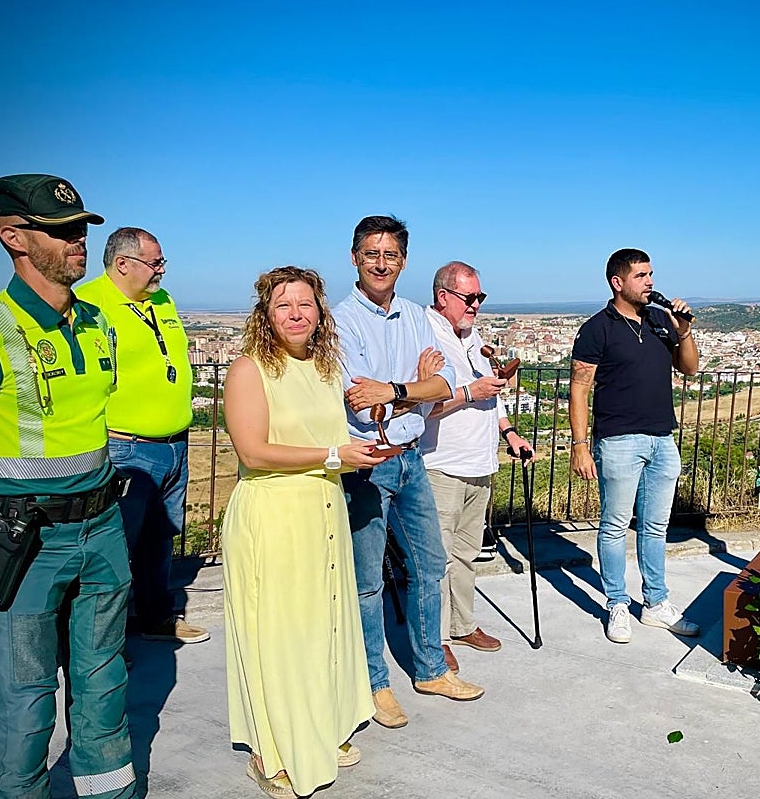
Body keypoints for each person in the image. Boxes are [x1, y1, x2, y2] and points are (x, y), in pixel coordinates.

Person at [0, 174, 137, 798]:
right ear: (12, 236)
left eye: (80, 228)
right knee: (26, 702)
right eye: (60, 231)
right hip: (25, 542)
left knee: (105, 683)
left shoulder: (93, 323)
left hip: (102, 528)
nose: (78, 241)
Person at [221, 266, 385, 797]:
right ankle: (274, 750)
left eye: (306, 304)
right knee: (280, 635)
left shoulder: (324, 366)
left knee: (325, 627)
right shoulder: (249, 369)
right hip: (274, 514)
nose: (296, 314)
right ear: (265, 314)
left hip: (323, 508)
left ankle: (320, 726)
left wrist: (372, 439)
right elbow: (253, 451)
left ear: (320, 312)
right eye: (284, 305)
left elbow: (339, 433)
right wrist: (335, 454)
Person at [334, 215, 484, 730]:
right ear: (354, 257)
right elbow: (358, 398)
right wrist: (411, 389)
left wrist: (396, 392)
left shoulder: (416, 316)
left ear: (403, 261)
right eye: (372, 253)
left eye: (391, 254)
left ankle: (429, 669)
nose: (381, 263)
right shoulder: (341, 321)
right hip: (368, 463)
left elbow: (443, 384)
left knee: (430, 565)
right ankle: (374, 683)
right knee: (367, 582)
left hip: (411, 456)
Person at [77, 228, 209, 644]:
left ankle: (156, 617)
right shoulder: (89, 304)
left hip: (174, 443)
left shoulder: (161, 301)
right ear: (122, 264)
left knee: (160, 538)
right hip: (126, 447)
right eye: (155, 263)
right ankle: (103, 644)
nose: (162, 270)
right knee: (114, 548)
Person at [569, 248, 702, 644]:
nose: (650, 282)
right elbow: (579, 388)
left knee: (655, 526)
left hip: (663, 438)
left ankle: (656, 603)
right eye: (641, 275)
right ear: (618, 282)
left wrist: (685, 330)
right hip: (619, 440)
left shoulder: (661, 320)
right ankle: (616, 604)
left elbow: (690, 367)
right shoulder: (598, 328)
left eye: (651, 274)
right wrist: (579, 445)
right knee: (613, 526)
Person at [420, 261, 533, 672]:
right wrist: (470, 392)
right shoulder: (426, 336)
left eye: (480, 297)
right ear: (443, 296)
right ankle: (437, 637)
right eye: (470, 298)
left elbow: (492, 397)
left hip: (478, 461)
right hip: (441, 464)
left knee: (467, 554)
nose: (476, 305)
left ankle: (463, 624)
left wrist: (509, 433)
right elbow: (421, 407)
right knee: (438, 559)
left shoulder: (472, 335)